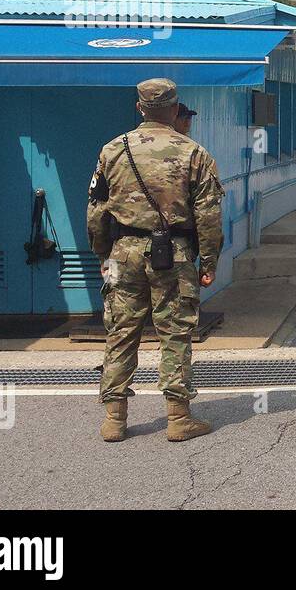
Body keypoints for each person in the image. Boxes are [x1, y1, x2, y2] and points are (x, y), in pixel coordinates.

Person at [87, 78, 224, 443]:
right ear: (176, 109)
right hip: (174, 254)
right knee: (175, 331)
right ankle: (178, 417)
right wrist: (209, 262)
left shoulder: (112, 150)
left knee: (120, 331)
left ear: (139, 108)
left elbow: (97, 208)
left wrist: (104, 252)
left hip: (122, 254)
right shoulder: (194, 152)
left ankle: (114, 418)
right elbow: (208, 215)